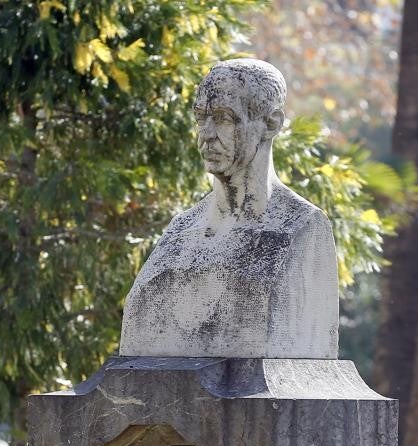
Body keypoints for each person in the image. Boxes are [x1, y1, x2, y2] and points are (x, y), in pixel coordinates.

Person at [119, 58, 339, 360]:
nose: (206, 133)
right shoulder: (179, 232)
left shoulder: (301, 228)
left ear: (271, 124)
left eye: (223, 118)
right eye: (201, 118)